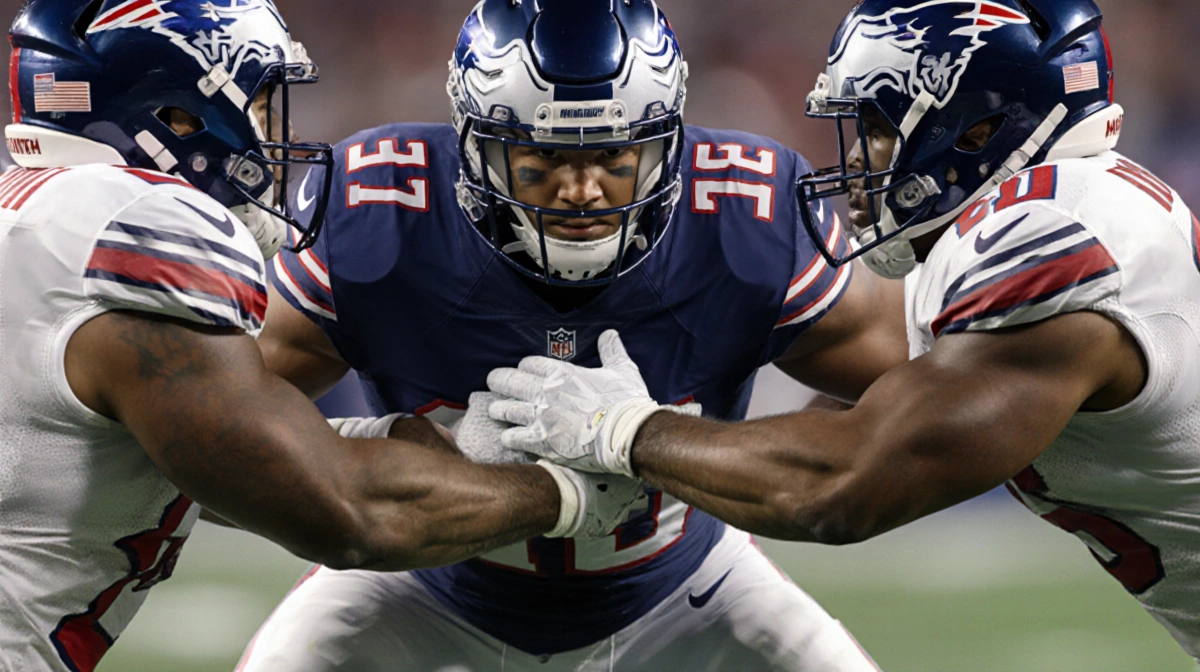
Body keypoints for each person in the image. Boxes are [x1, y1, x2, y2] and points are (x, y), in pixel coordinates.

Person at [487, 0, 1200, 661]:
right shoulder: (1038, 215)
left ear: (978, 129)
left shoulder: (1052, 239)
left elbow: (843, 485)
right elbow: (853, 414)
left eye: (882, 128)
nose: (857, 158)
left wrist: (625, 431)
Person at [238, 1, 905, 670]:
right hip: (414, 589)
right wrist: (370, 458)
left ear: (666, 141)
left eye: (614, 155)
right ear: (474, 145)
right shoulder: (381, 212)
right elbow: (224, 430)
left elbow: (899, 396)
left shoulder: (744, 218)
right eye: (542, 159)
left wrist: (731, 461)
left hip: (688, 586)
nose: (581, 190)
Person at [0, 1, 639, 670]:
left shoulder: (39, 216)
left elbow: (198, 452)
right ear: (178, 116)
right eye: (266, 100)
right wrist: (563, 493)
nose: (285, 130)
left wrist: (378, 441)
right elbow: (344, 514)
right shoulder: (146, 227)